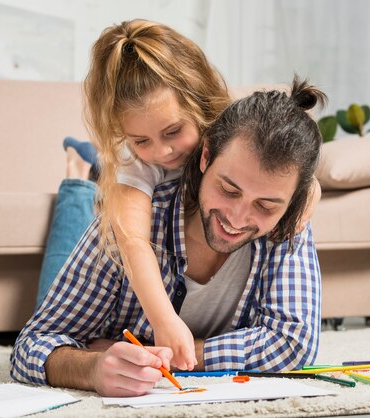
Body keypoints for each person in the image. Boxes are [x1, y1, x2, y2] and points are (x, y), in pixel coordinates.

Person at [34, 19, 322, 372]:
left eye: (173, 131)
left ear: (200, 111)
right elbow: (133, 241)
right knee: (84, 234)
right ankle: (79, 178)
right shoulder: (138, 166)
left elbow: (293, 342)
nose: (163, 151)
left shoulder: (233, 131)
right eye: (142, 139)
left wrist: (304, 198)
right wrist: (163, 323)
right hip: (121, 204)